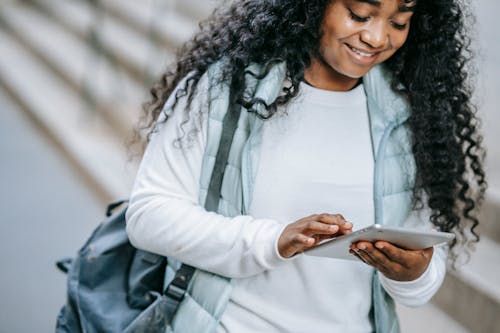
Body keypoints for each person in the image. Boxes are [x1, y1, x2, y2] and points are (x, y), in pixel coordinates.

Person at [125, 0, 486, 332]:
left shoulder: (409, 116)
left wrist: (414, 273)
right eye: (360, 14)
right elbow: (149, 216)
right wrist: (273, 241)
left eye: (399, 21)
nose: (377, 37)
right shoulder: (226, 91)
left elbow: (421, 280)